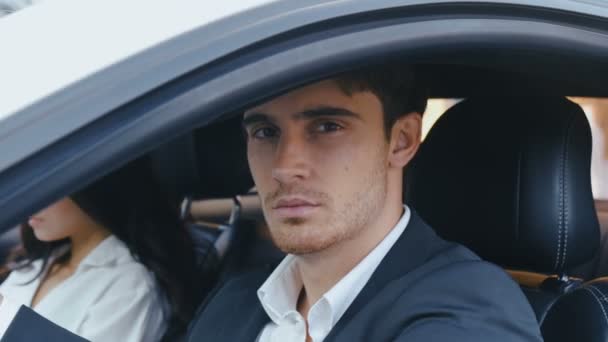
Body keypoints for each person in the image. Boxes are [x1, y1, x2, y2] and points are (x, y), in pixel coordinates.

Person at [185, 64, 543, 341]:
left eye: (327, 127)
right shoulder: (232, 301)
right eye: (265, 132)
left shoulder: (473, 309)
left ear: (401, 141)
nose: (283, 167)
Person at [0, 157, 205, 341]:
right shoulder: (40, 260)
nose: (29, 197)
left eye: (47, 185)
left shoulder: (129, 287)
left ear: (91, 185)